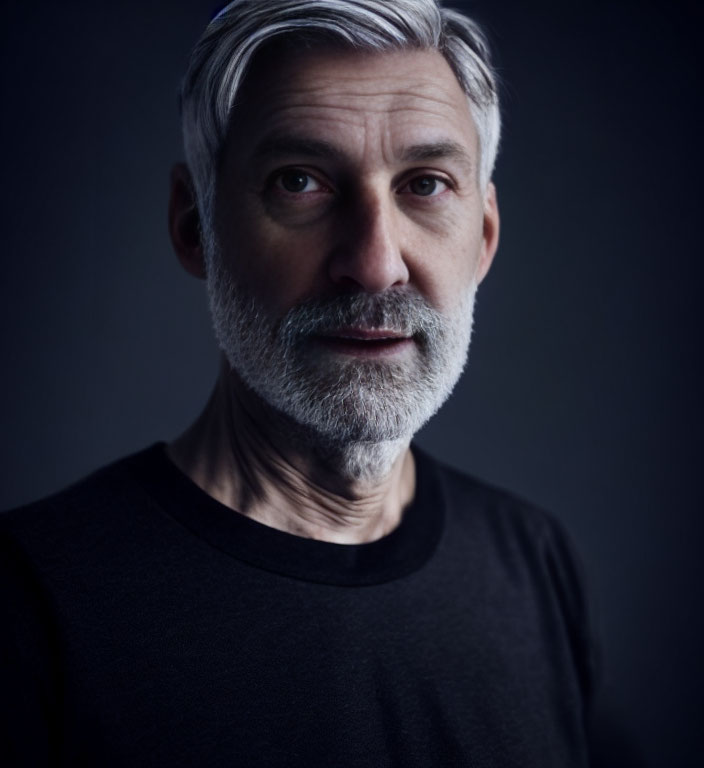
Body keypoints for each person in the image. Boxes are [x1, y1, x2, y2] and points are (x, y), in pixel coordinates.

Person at [0, 1, 637, 766]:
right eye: (299, 181)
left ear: (485, 240)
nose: (374, 263)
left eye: (426, 185)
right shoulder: (27, 605)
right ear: (193, 225)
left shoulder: (535, 564)